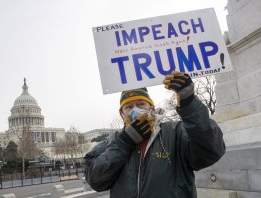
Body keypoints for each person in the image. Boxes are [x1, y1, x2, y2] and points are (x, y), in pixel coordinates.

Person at [84, 71, 225, 198]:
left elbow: (210, 151)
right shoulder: (113, 141)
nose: (135, 110)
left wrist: (189, 104)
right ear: (122, 113)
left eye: (140, 104)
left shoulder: (175, 132)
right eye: (128, 107)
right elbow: (96, 180)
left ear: (151, 107)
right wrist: (125, 142)